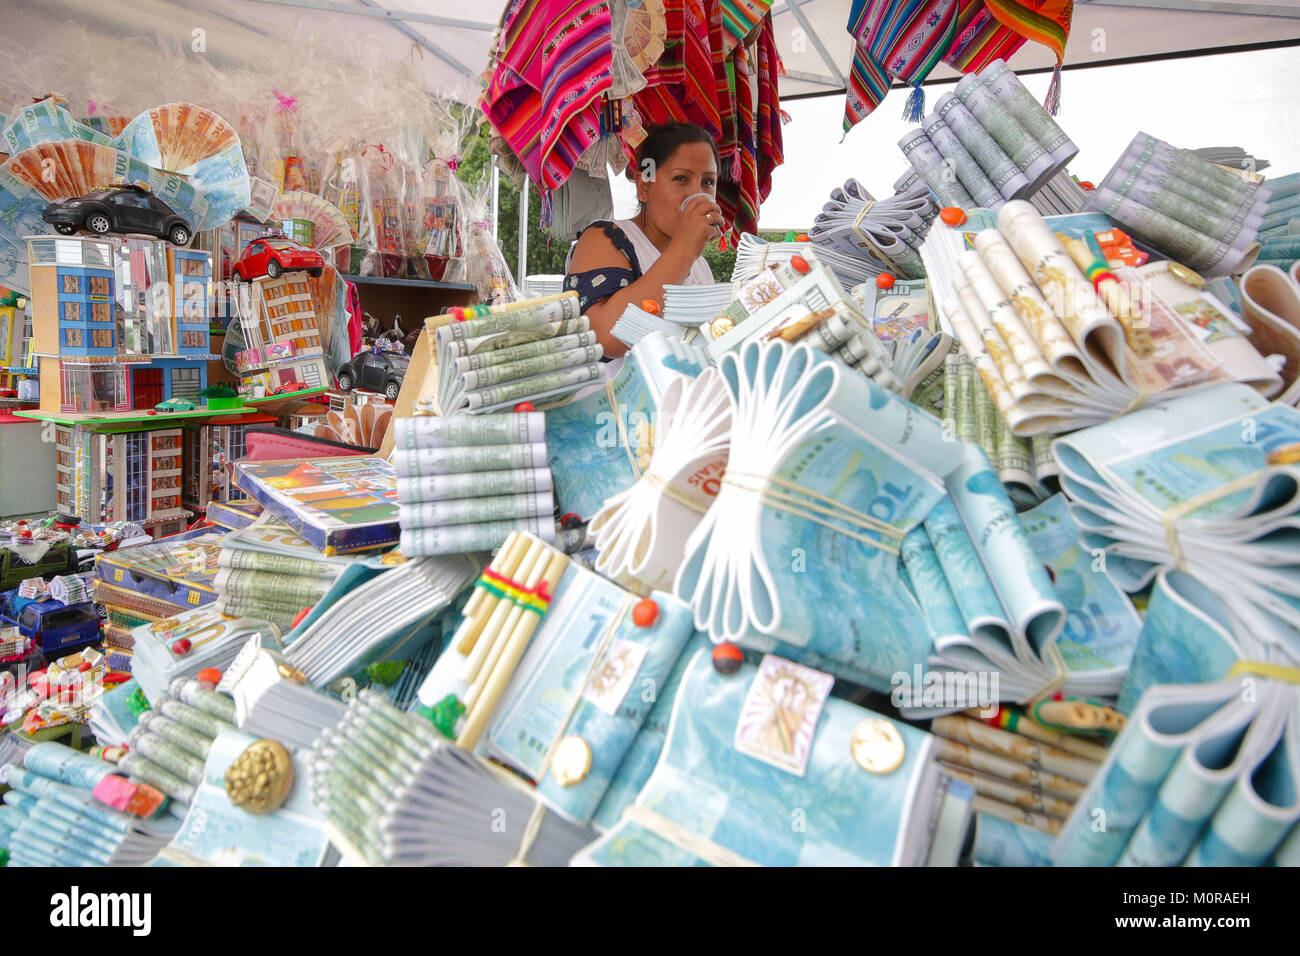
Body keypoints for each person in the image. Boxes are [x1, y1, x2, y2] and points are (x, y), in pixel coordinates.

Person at [564, 122, 724, 358]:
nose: (696, 194)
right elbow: (603, 337)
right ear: (644, 185)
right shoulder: (606, 238)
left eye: (708, 181)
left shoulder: (699, 264)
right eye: (681, 178)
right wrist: (684, 249)